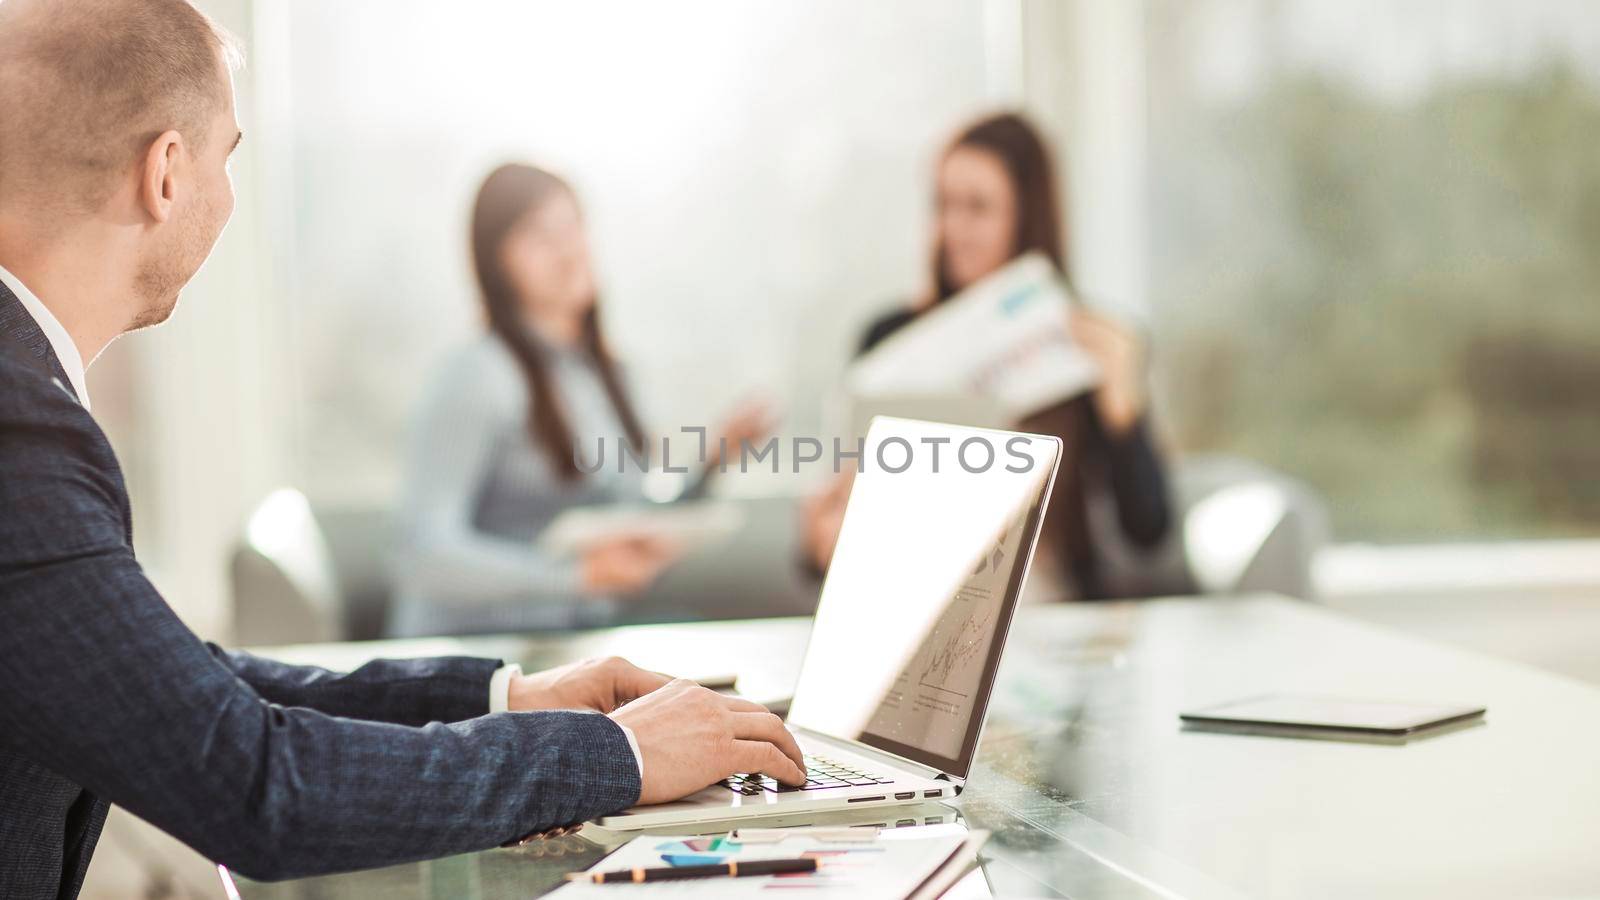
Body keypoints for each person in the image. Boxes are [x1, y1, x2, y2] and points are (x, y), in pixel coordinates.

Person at [0, 2, 803, 896]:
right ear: (167, 172)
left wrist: (511, 698)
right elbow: (258, 785)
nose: (231, 193)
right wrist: (613, 753)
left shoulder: (23, 399)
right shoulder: (19, 431)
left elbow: (187, 684)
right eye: (231, 156)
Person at [802, 112, 1171, 599]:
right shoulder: (888, 337)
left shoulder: (1085, 344)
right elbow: (817, 557)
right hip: (921, 611)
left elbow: (1147, 532)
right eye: (944, 204)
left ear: (1026, 216)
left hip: (1051, 614)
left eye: (978, 207)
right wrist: (820, 543)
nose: (954, 228)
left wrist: (1122, 398)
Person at [390, 163, 770, 636]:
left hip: (572, 635)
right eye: (539, 234)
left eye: (573, 226)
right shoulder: (475, 376)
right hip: (482, 655)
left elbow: (628, 520)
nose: (568, 248)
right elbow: (423, 552)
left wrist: (713, 463)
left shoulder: (606, 376)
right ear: (495, 261)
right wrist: (573, 577)